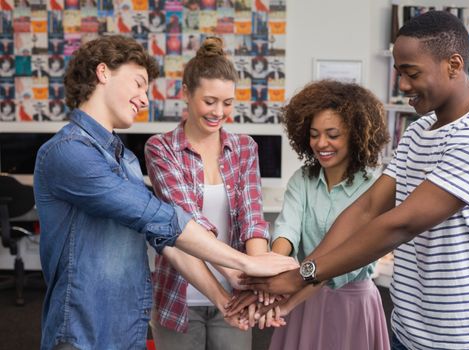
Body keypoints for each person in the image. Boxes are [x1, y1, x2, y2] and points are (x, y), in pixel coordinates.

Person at [239, 11, 469, 350]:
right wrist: (294, 282)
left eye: (411, 73)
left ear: (454, 64)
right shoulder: (418, 131)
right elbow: (367, 209)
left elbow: (401, 224)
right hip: (408, 329)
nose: (402, 85)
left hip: (467, 338)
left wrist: (300, 275)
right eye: (398, 72)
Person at [33, 35, 297, 350]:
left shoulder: (125, 160)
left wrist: (225, 300)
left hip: (126, 326)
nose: (145, 100)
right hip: (84, 332)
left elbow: (166, 239)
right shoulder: (68, 153)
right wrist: (245, 263)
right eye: (139, 84)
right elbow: (161, 217)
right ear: (103, 73)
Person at [144, 36, 280, 350]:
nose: (219, 111)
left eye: (228, 103)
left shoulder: (245, 148)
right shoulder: (161, 148)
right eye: (210, 101)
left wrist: (256, 281)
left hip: (236, 292)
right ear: (186, 94)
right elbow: (188, 222)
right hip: (179, 296)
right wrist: (240, 270)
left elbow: (252, 221)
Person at [259, 80, 390, 350]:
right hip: (303, 299)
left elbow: (343, 262)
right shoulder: (302, 180)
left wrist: (287, 304)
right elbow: (287, 231)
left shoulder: (374, 187)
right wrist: (270, 270)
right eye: (315, 134)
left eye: (332, 134)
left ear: (354, 136)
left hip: (352, 305)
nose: (321, 143)